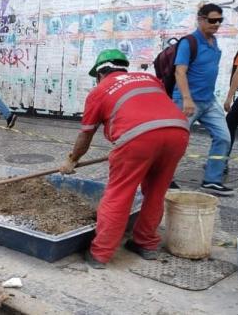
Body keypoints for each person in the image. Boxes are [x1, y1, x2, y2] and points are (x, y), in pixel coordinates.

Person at [60, 49, 189, 269]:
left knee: (120, 194)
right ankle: (146, 243)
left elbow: (86, 134)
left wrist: (72, 159)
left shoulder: (99, 90)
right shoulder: (149, 78)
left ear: (99, 74)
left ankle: (100, 253)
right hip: (178, 132)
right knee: (156, 192)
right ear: (122, 68)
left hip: (137, 139)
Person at [173, 3, 233, 196]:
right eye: (212, 20)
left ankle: (211, 180)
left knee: (224, 137)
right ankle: (164, 178)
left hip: (209, 101)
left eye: (219, 20)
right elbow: (179, 72)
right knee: (176, 142)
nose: (216, 24)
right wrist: (187, 99)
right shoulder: (189, 42)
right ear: (200, 19)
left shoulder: (214, 42)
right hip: (187, 101)